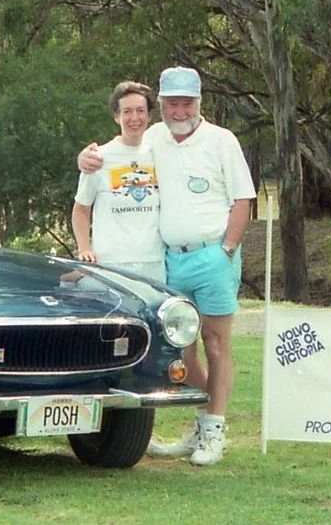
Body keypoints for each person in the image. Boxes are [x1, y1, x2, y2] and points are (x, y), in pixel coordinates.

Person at [79, 66, 255, 466]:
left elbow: (243, 199)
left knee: (216, 344)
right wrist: (86, 157)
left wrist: (226, 249)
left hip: (213, 255)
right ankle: (202, 422)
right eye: (172, 103)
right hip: (171, 259)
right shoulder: (156, 137)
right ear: (163, 104)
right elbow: (112, 151)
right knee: (183, 351)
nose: (179, 111)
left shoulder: (221, 140)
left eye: (186, 102)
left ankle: (214, 429)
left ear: (199, 103)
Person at [72, 81, 165, 284]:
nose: (134, 118)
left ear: (149, 115)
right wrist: (84, 249)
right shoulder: (98, 158)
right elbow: (80, 210)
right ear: (117, 116)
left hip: (154, 263)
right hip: (111, 264)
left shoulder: (160, 154)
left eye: (140, 111)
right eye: (127, 111)